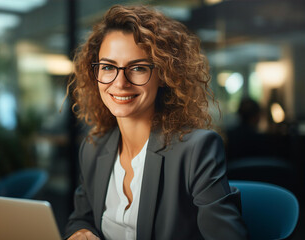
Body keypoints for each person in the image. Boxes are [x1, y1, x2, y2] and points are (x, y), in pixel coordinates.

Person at [64, 5, 248, 240]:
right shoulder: (93, 148)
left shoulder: (196, 150)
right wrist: (81, 232)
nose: (120, 83)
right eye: (108, 67)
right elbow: (81, 217)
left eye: (138, 68)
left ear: (163, 75)